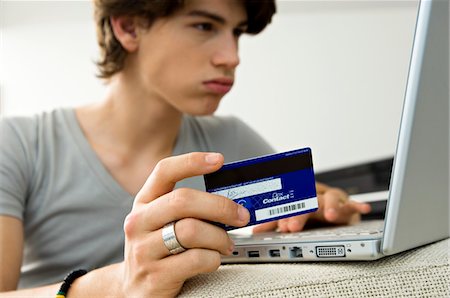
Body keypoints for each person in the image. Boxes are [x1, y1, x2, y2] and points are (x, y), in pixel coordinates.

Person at [0, 0, 371, 297]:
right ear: (129, 26)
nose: (232, 56)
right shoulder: (17, 144)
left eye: (237, 32)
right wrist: (119, 285)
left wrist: (323, 212)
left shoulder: (233, 139)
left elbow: (318, 201)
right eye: (204, 26)